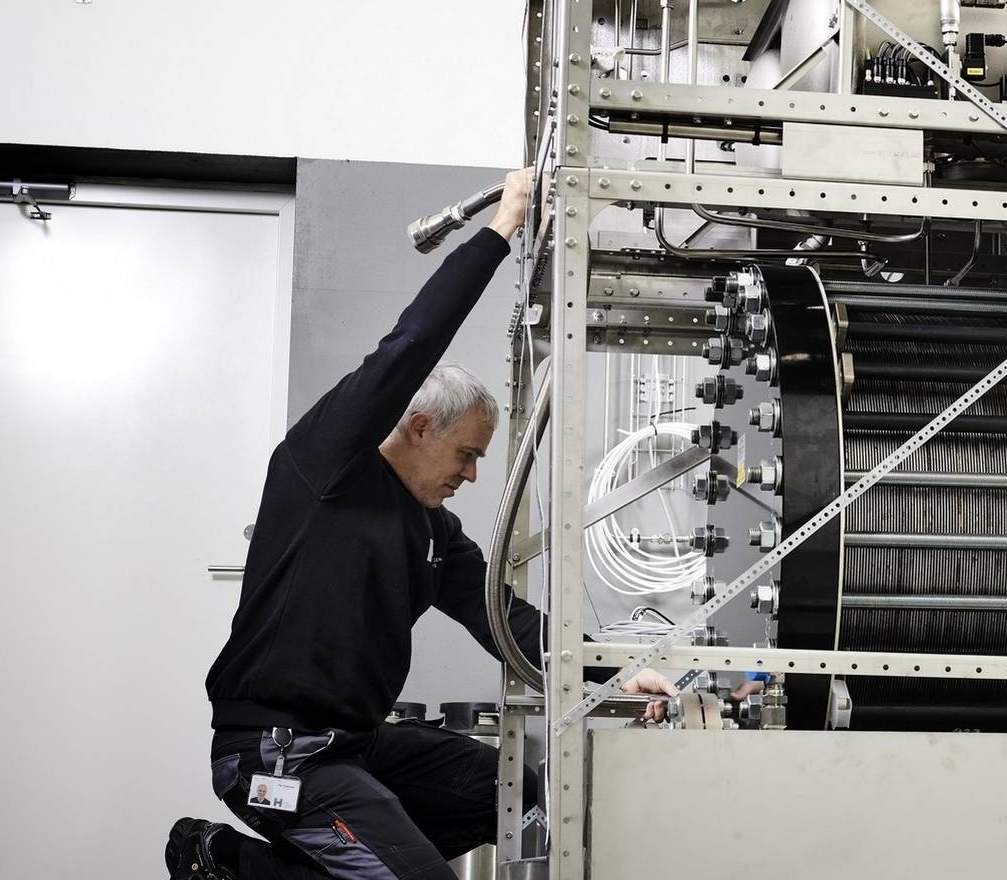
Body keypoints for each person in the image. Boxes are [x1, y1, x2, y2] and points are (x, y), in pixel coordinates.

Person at [167, 169, 679, 879]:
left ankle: (238, 868)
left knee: (517, 795)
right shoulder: (328, 466)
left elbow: (508, 622)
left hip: (354, 746)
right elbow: (409, 344)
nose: (472, 474)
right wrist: (502, 228)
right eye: (466, 454)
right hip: (271, 753)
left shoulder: (436, 535)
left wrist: (619, 672)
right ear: (414, 425)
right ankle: (224, 861)